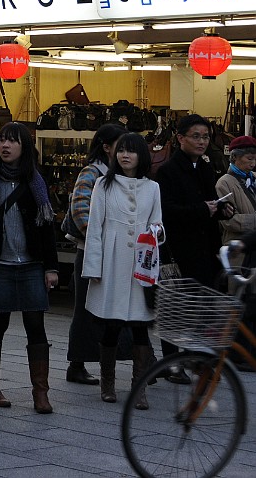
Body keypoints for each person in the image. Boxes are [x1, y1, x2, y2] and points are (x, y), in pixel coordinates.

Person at [0, 122, 58, 414]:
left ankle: (40, 393)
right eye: (2, 140)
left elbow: (46, 228)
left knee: (36, 326)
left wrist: (51, 267)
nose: (5, 146)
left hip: (31, 264)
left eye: (12, 141)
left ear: (24, 147)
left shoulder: (36, 182)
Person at [82, 132, 162, 410]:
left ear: (142, 155)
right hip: (113, 261)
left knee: (140, 327)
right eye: (121, 151)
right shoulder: (104, 185)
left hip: (141, 264)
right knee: (112, 325)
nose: (125, 155)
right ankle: (108, 382)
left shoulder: (153, 188)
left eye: (131, 151)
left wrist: (155, 231)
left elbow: (158, 224)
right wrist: (93, 267)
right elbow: (94, 228)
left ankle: (139, 388)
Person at [155, 113, 233, 380]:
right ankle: (173, 363)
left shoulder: (206, 167)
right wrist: (203, 209)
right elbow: (167, 212)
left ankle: (197, 359)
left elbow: (211, 201)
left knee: (204, 307)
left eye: (206, 137)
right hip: (179, 249)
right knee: (177, 307)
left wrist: (222, 209)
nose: (202, 142)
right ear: (180, 138)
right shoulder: (167, 171)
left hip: (205, 247)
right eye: (196, 136)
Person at [63, 123, 129, 385]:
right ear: (106, 147)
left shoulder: (123, 175)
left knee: (118, 308)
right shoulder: (92, 172)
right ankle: (76, 364)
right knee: (85, 310)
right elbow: (80, 210)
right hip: (91, 251)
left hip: (117, 253)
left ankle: (132, 358)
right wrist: (103, 239)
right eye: (121, 146)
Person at [215, 135, 256, 265]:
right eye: (249, 159)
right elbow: (228, 221)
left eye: (255, 159)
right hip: (238, 249)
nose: (253, 163)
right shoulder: (223, 183)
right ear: (235, 158)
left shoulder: (254, 178)